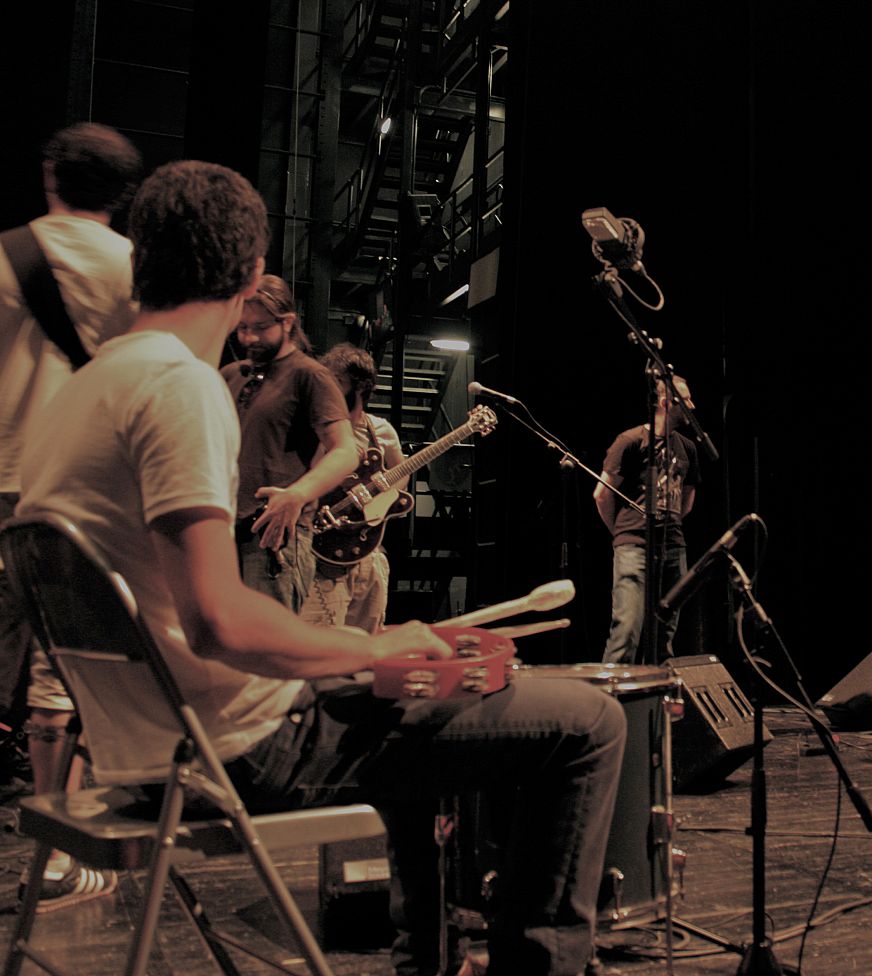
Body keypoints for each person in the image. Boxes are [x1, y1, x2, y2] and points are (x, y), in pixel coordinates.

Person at [15, 159, 625, 976]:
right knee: (589, 724)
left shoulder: (76, 395)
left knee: (415, 695)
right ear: (252, 273)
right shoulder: (178, 385)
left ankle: (429, 958)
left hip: (143, 753)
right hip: (235, 753)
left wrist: (374, 663)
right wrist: (377, 646)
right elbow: (219, 621)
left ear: (139, 258)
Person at [0, 121, 141, 910]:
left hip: (3, 477)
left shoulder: (7, 254)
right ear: (123, 194)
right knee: (70, 660)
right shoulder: (137, 270)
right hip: (88, 486)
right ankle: (55, 850)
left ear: (51, 173)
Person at [225, 273, 357, 613]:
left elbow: (345, 451)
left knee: (268, 658)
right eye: (241, 328)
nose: (249, 337)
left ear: (287, 322)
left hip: (273, 537)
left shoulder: (309, 375)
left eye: (259, 327)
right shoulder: (231, 375)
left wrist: (297, 494)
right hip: (222, 531)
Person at [594, 374, 700, 664]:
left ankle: (654, 704)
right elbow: (601, 494)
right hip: (634, 545)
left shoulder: (688, 448)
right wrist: (621, 532)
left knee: (664, 632)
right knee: (627, 629)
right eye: (685, 400)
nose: (692, 405)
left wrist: (672, 522)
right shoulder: (630, 441)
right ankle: (610, 705)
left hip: (673, 545)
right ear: (666, 403)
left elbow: (687, 498)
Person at [300, 342, 404, 634]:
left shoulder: (381, 430)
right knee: (322, 639)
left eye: (337, 382)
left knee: (368, 642)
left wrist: (379, 500)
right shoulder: (315, 427)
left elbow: (401, 475)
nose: (328, 389)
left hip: (368, 551)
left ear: (359, 388)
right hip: (322, 555)